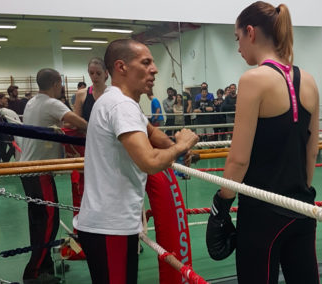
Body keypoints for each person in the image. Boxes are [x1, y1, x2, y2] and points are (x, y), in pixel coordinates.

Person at [205, 2, 320, 283]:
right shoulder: (309, 81)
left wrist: (220, 205)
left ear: (250, 32)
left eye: (237, 38)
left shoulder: (253, 80)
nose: (238, 47)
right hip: (303, 208)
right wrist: (298, 191)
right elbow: (312, 151)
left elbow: (239, 159)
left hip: (262, 214)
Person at [74, 39, 198, 284]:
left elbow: (151, 133)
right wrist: (183, 145)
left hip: (110, 225)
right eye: (146, 62)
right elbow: (150, 162)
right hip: (110, 227)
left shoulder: (116, 100)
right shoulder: (121, 105)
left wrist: (174, 148)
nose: (154, 69)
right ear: (121, 67)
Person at [19, 68, 87, 284]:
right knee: (47, 221)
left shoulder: (33, 101)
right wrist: (98, 130)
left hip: (29, 170)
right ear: (57, 83)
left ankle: (45, 264)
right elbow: (79, 123)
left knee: (41, 221)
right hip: (38, 172)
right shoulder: (52, 103)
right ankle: (33, 272)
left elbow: (58, 121)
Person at [73, 57, 108, 122]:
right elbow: (77, 122)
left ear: (106, 73)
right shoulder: (81, 94)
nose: (95, 76)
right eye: (91, 73)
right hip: (87, 131)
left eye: (98, 73)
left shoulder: (112, 93)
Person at [0, 93, 15, 162]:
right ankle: (2, 161)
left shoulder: (0, 107)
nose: (6, 99)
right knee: (8, 146)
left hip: (2, 131)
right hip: (0, 132)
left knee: (2, 148)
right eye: (4, 98)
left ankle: (1, 161)